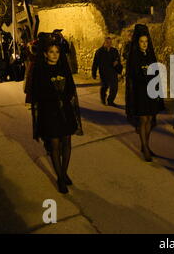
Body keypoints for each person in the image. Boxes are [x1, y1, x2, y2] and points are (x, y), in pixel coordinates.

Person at [31, 38, 83, 194]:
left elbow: (70, 88)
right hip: (50, 112)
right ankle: (60, 178)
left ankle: (63, 173)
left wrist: (64, 97)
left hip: (65, 110)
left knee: (67, 142)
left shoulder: (63, 68)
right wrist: (54, 97)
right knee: (54, 145)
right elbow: (37, 92)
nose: (55, 55)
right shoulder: (40, 70)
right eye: (51, 52)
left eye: (57, 52)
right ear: (45, 54)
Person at [125, 24, 164, 162]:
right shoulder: (134, 56)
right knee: (143, 120)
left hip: (151, 91)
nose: (144, 44)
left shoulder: (150, 55)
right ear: (137, 42)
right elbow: (133, 75)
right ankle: (145, 148)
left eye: (146, 41)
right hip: (140, 92)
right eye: (142, 41)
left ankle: (145, 144)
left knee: (149, 119)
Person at [92, 37, 122, 106]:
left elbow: (118, 60)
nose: (109, 44)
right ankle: (103, 98)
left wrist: (117, 64)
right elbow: (95, 63)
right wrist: (94, 73)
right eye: (107, 42)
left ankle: (110, 101)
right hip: (103, 73)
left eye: (110, 43)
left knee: (114, 88)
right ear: (104, 43)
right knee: (104, 87)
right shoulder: (99, 52)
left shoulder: (114, 51)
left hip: (113, 72)